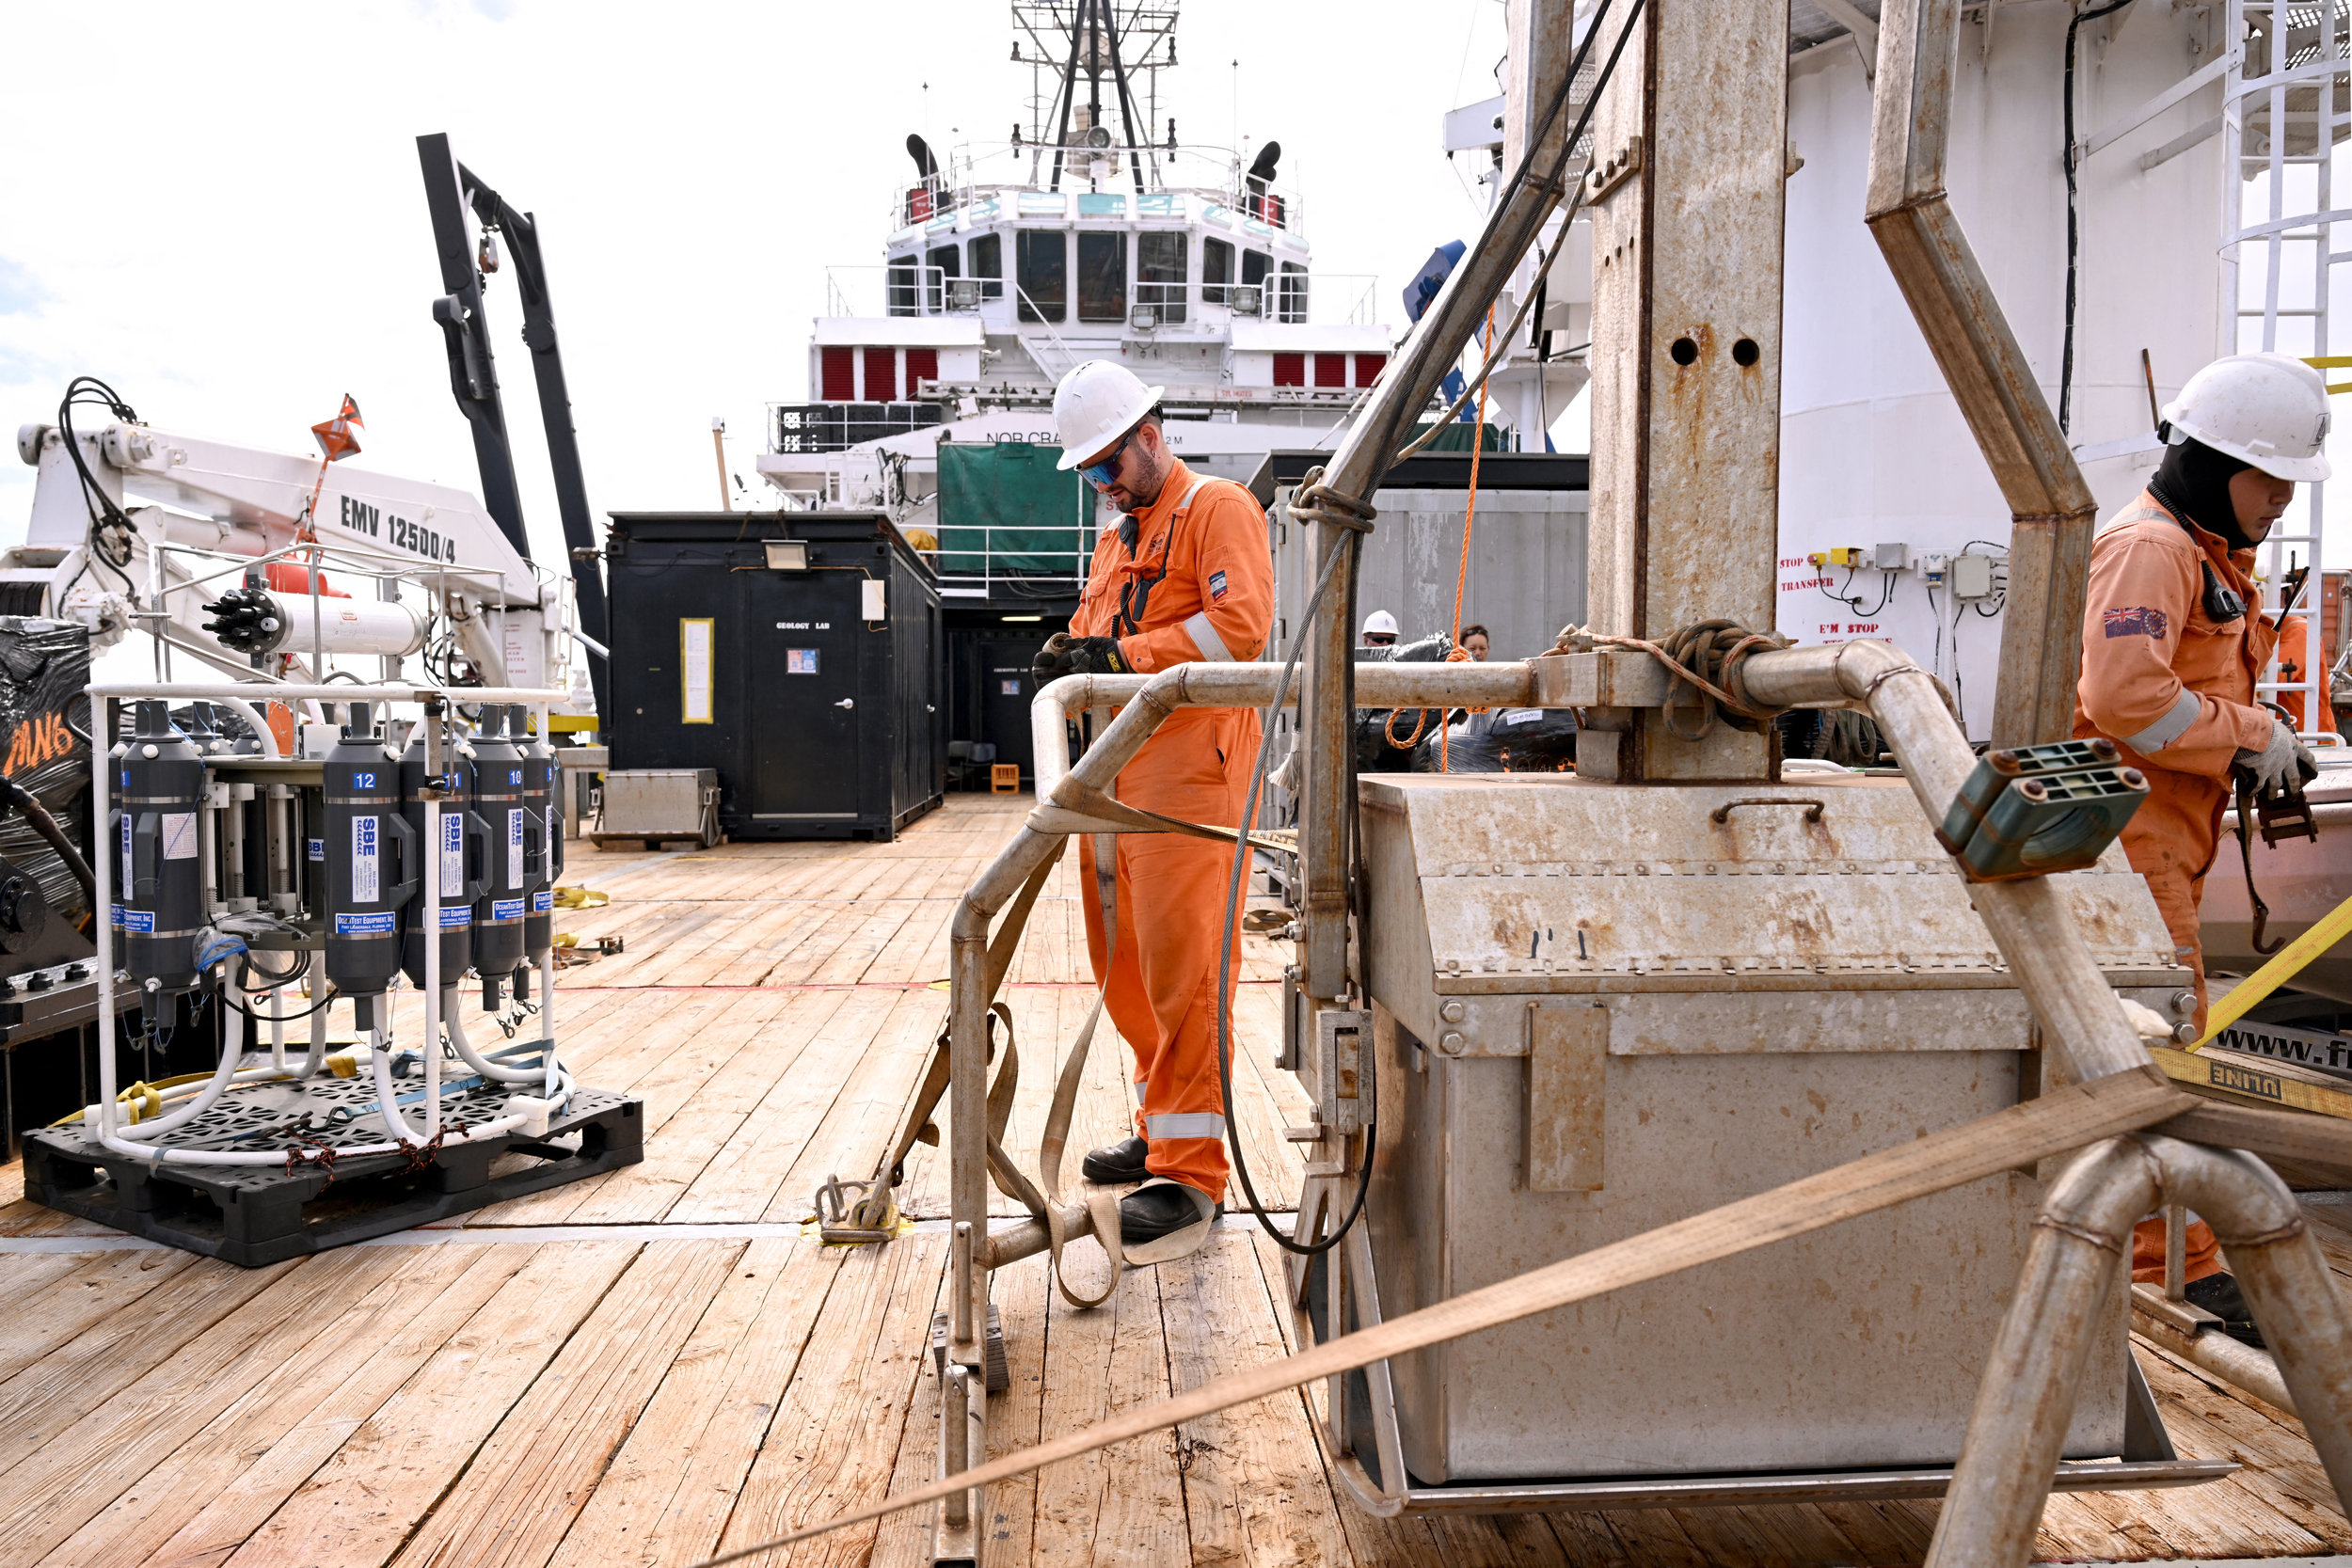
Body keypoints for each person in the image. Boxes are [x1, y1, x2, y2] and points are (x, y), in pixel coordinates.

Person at [2074, 350, 2328, 1338]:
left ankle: (2162, 1255)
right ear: (2214, 461)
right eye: (2269, 479)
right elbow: (2121, 697)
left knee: (2156, 1044)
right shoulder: (2153, 550)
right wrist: (2254, 731)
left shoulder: (2206, 556)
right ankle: (2170, 1273)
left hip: (2163, 847)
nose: (2277, 503)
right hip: (2132, 853)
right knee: (2164, 1052)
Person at [1030, 360, 1274, 1259]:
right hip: (1119, 779)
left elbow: (1239, 632)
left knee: (1185, 973)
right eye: (1089, 474)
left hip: (1190, 783)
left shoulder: (1218, 511)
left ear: (1150, 435)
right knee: (1124, 967)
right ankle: (1159, 1125)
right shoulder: (1116, 537)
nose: (1102, 484)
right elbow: (1108, 634)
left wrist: (1120, 654)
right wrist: (1075, 650)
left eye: (1108, 466)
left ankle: (1191, 1176)